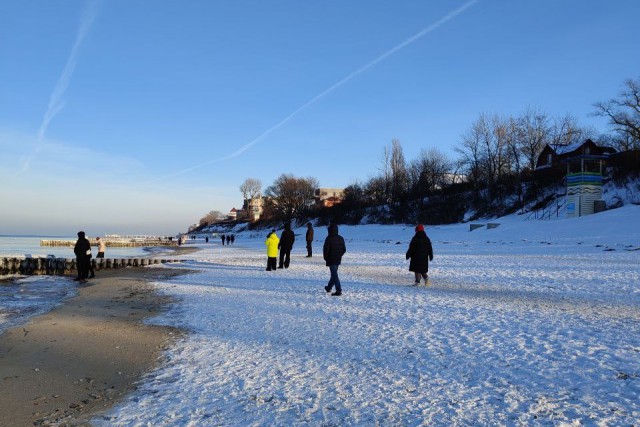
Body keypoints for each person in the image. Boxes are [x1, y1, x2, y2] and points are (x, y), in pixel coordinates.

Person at [323, 223, 346, 296]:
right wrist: (339, 255)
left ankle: (338, 290)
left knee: (334, 275)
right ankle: (329, 287)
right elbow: (344, 249)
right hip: (338, 259)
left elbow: (325, 250)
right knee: (334, 274)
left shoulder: (329, 238)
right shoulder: (341, 238)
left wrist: (326, 258)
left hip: (331, 259)